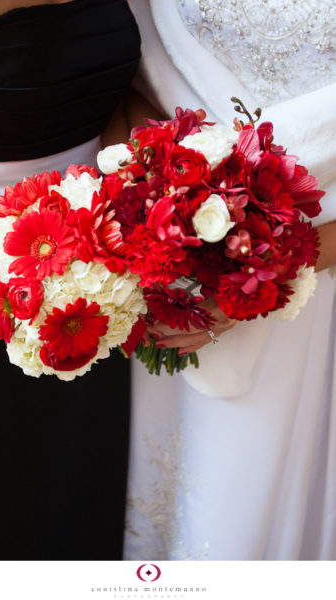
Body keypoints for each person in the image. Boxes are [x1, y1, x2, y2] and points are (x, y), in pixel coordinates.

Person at [124, 0, 336, 560]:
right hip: (171, 253)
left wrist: (265, 271)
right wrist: (152, 203)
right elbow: (127, 67)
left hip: (316, 277)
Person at [0, 0, 142, 560]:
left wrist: (114, 196)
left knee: (71, 501)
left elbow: (116, 88)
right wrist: (7, 271)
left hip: (92, 268)